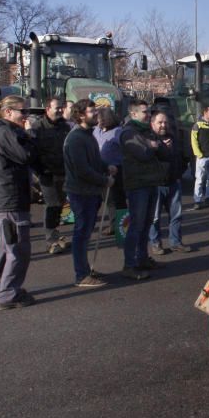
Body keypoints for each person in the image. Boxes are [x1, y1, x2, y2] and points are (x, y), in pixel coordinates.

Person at [0, 95, 37, 310]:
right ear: (8, 112)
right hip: (8, 200)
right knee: (17, 249)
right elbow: (25, 156)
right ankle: (7, 294)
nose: (26, 116)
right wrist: (30, 133)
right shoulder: (4, 133)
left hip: (1, 200)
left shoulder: (1, 132)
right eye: (22, 112)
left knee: (4, 249)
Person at [63, 99, 115, 287]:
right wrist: (104, 180)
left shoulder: (87, 135)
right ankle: (81, 275)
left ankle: (85, 269)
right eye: (92, 111)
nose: (96, 114)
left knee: (85, 233)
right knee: (81, 234)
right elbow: (82, 169)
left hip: (89, 191)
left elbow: (93, 160)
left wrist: (105, 167)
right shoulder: (76, 138)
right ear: (81, 115)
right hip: (80, 192)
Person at [120, 100, 169, 280]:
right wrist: (151, 145)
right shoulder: (128, 133)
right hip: (137, 184)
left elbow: (165, 152)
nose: (148, 114)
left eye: (148, 111)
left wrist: (154, 144)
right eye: (144, 112)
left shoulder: (147, 131)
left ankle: (142, 258)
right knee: (136, 225)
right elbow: (144, 153)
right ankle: (129, 264)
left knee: (146, 224)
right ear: (133, 114)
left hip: (151, 182)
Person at [29, 98, 71, 254]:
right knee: (51, 205)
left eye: (61, 108)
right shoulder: (38, 127)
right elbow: (32, 152)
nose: (60, 110)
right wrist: (39, 171)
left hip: (63, 172)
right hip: (46, 173)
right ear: (47, 109)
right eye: (57, 108)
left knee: (59, 205)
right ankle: (50, 239)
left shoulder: (64, 126)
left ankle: (55, 233)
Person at [148, 109, 190, 254]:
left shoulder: (174, 137)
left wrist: (179, 172)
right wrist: (161, 148)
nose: (163, 125)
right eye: (160, 122)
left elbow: (182, 156)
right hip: (157, 184)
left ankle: (176, 242)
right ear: (152, 123)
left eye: (165, 122)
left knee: (176, 215)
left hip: (174, 182)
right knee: (154, 217)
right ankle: (156, 243)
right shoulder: (149, 139)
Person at [94, 106, 126, 226]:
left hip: (115, 169)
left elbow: (124, 147)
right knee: (105, 199)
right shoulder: (96, 130)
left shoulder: (117, 132)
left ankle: (119, 226)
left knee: (116, 199)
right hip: (100, 169)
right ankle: (113, 223)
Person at [191, 105, 209, 209]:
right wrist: (198, 154)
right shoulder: (197, 125)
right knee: (199, 179)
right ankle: (197, 201)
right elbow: (194, 141)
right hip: (202, 157)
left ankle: (208, 199)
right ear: (205, 112)